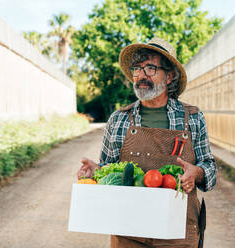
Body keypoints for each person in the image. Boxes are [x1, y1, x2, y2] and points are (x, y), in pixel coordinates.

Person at [77, 37, 216, 248]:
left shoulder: (192, 117)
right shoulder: (119, 118)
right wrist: (95, 172)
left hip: (177, 233)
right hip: (129, 231)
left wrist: (197, 173)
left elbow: (210, 167)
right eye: (137, 69)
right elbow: (108, 167)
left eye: (150, 68)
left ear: (169, 76)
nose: (141, 75)